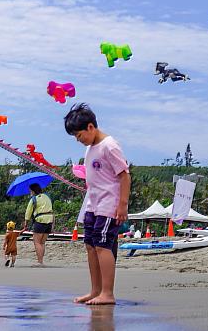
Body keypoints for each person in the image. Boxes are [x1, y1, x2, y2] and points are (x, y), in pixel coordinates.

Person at [65, 103, 131, 305]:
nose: (79, 140)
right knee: (91, 246)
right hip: (93, 205)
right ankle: (95, 290)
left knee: (103, 246)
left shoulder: (109, 146)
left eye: (79, 135)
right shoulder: (90, 148)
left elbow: (125, 176)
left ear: (91, 127)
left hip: (108, 206)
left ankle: (107, 293)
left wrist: (122, 205)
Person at [23, 183, 53, 265]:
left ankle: (40, 262)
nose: (30, 192)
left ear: (33, 191)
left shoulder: (34, 199)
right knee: (42, 242)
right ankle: (41, 261)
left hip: (40, 221)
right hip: (49, 221)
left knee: (37, 242)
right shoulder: (47, 196)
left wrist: (25, 224)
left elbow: (28, 213)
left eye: (30, 191)